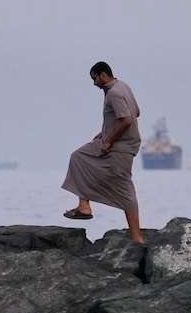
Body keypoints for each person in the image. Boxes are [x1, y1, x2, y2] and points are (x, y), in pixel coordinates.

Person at [61, 60, 144, 242]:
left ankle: (137, 237)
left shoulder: (114, 93)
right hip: (115, 141)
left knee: (124, 188)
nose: (94, 83)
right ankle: (84, 206)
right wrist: (104, 134)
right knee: (79, 157)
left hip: (121, 147)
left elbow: (127, 120)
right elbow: (136, 113)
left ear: (103, 75)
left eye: (94, 78)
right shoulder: (123, 86)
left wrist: (109, 140)